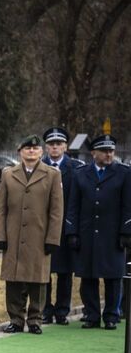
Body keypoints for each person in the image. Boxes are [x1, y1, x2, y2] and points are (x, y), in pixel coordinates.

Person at [0, 135, 63, 334]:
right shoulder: (8, 174)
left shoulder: (52, 175)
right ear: (20, 152)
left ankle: (35, 320)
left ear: (41, 152)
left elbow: (56, 210)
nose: (31, 152)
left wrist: (52, 238)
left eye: (35, 148)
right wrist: (0, 235)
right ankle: (15, 319)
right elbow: (1, 208)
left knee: (38, 280)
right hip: (13, 235)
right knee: (13, 280)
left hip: (39, 236)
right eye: (27, 148)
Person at [66, 134, 131, 330]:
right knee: (89, 276)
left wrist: (126, 231)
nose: (109, 154)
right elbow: (73, 206)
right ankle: (92, 315)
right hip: (87, 233)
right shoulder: (81, 174)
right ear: (94, 153)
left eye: (111, 151)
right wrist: (72, 232)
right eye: (104, 151)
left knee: (113, 277)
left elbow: (128, 206)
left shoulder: (124, 173)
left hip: (112, 234)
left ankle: (111, 315)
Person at [41, 127, 84, 324]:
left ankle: (62, 311)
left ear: (65, 146)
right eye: (51, 144)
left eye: (59, 144)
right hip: (43, 227)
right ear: (46, 147)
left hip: (67, 226)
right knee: (44, 271)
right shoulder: (40, 167)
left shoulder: (76, 168)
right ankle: (45, 310)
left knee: (65, 272)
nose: (55, 147)